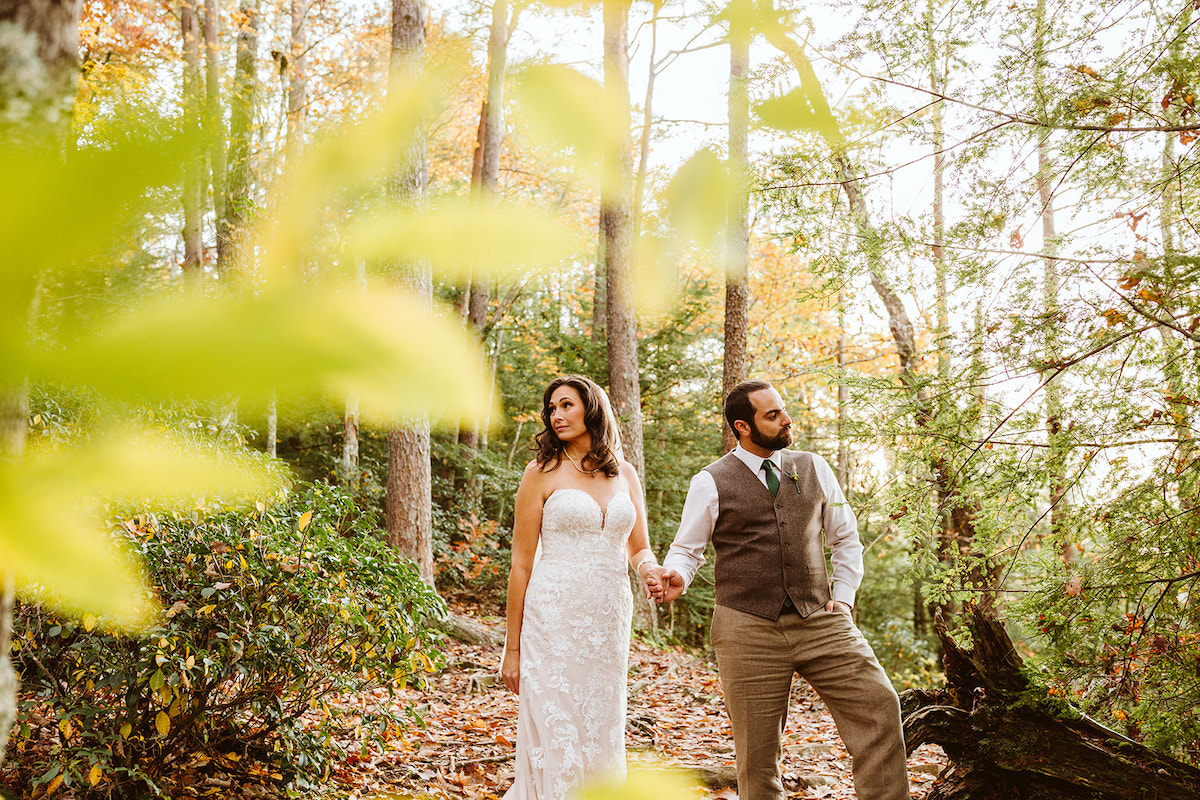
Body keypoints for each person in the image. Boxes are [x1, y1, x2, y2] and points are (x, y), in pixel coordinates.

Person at [654, 380, 910, 800]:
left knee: (880, 705)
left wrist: (843, 598)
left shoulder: (815, 467)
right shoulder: (710, 481)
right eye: (772, 415)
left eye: (783, 410)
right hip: (746, 628)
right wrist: (677, 576)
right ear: (743, 426)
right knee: (757, 757)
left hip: (821, 619)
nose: (786, 419)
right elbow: (686, 549)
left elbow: (846, 539)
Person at [501, 374, 661, 800]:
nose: (557, 415)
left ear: (591, 409)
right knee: (556, 727)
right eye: (552, 408)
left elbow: (640, 547)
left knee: (603, 723)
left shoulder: (625, 474)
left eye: (566, 405)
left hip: (609, 617)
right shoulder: (540, 473)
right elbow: (520, 564)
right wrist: (512, 648)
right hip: (552, 617)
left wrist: (651, 571)